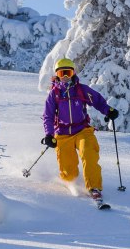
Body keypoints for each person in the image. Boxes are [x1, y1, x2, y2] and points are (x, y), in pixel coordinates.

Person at [41, 58, 119, 202]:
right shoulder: (54, 95)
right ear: (57, 75)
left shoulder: (81, 90)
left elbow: (97, 100)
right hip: (62, 134)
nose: (65, 77)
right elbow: (48, 116)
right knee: (68, 172)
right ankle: (70, 181)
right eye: (62, 73)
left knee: (89, 153)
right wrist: (49, 135)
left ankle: (94, 187)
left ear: (73, 74)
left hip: (82, 130)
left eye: (68, 73)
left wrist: (109, 110)